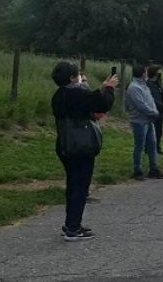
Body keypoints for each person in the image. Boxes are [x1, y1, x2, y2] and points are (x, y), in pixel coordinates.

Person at [51, 62, 118, 241]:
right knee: (80, 185)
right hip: (80, 145)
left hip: (65, 144)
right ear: (73, 78)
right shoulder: (77, 94)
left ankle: (72, 223)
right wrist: (109, 90)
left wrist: (101, 88)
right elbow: (101, 104)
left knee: (73, 184)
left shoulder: (59, 95)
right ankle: (73, 227)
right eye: (78, 75)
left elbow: (89, 100)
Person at [125, 64, 163, 181]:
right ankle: (137, 170)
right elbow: (141, 105)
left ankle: (154, 168)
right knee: (140, 146)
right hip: (139, 121)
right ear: (143, 73)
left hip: (149, 120)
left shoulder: (145, 86)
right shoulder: (134, 88)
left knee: (152, 144)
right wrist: (153, 112)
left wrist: (154, 111)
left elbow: (150, 100)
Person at [146, 65, 163, 155]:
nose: (160, 73)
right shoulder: (149, 84)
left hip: (161, 110)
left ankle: (157, 147)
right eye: (159, 71)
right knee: (152, 130)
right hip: (153, 109)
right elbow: (152, 98)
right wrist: (162, 105)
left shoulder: (159, 83)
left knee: (159, 130)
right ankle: (149, 148)